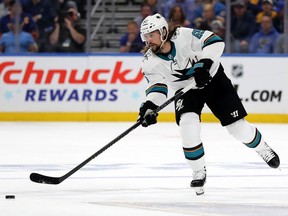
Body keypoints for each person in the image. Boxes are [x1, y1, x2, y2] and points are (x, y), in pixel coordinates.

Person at [137, 13, 280, 195]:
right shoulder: (149, 61)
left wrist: (204, 64)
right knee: (188, 126)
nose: (148, 40)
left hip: (212, 79)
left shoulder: (183, 35)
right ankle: (198, 171)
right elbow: (157, 87)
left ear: (164, 31)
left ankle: (262, 149)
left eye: (151, 35)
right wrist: (150, 105)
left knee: (237, 128)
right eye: (146, 36)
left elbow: (215, 41)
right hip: (186, 90)